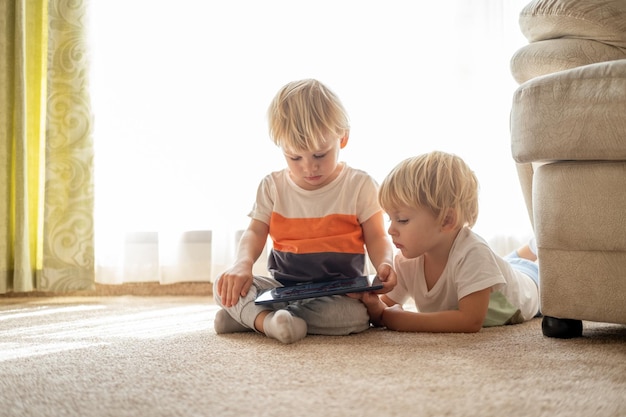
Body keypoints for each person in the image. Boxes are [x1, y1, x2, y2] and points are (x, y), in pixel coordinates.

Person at [213, 79, 396, 344]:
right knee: (222, 284)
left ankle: (250, 318)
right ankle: (269, 322)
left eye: (320, 155)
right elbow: (254, 233)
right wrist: (242, 265)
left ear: (342, 137)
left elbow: (378, 237)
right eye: (295, 158)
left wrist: (385, 264)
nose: (309, 168)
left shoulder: (360, 185)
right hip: (283, 289)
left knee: (355, 316)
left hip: (338, 293)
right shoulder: (272, 186)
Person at [358, 151, 540, 332]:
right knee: (506, 263)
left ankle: (535, 248)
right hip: (502, 269)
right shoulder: (405, 261)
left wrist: (401, 320)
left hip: (532, 282)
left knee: (525, 268)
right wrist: (374, 305)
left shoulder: (473, 253)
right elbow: (386, 309)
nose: (391, 230)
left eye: (402, 220)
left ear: (446, 220)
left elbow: (470, 321)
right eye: (390, 219)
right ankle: (529, 249)